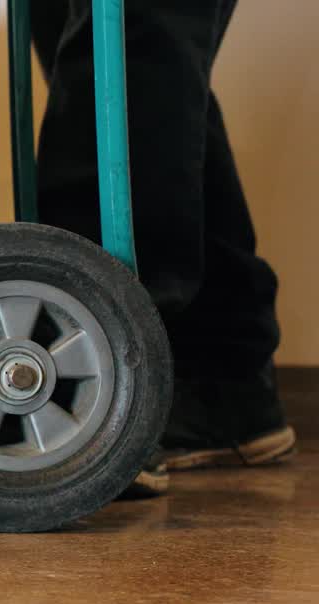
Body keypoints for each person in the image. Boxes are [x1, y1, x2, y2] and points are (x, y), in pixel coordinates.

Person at [31, 0, 295, 493]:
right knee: (112, 42)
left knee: (130, 29)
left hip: (118, 365)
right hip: (215, 366)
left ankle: (107, 381)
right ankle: (218, 385)